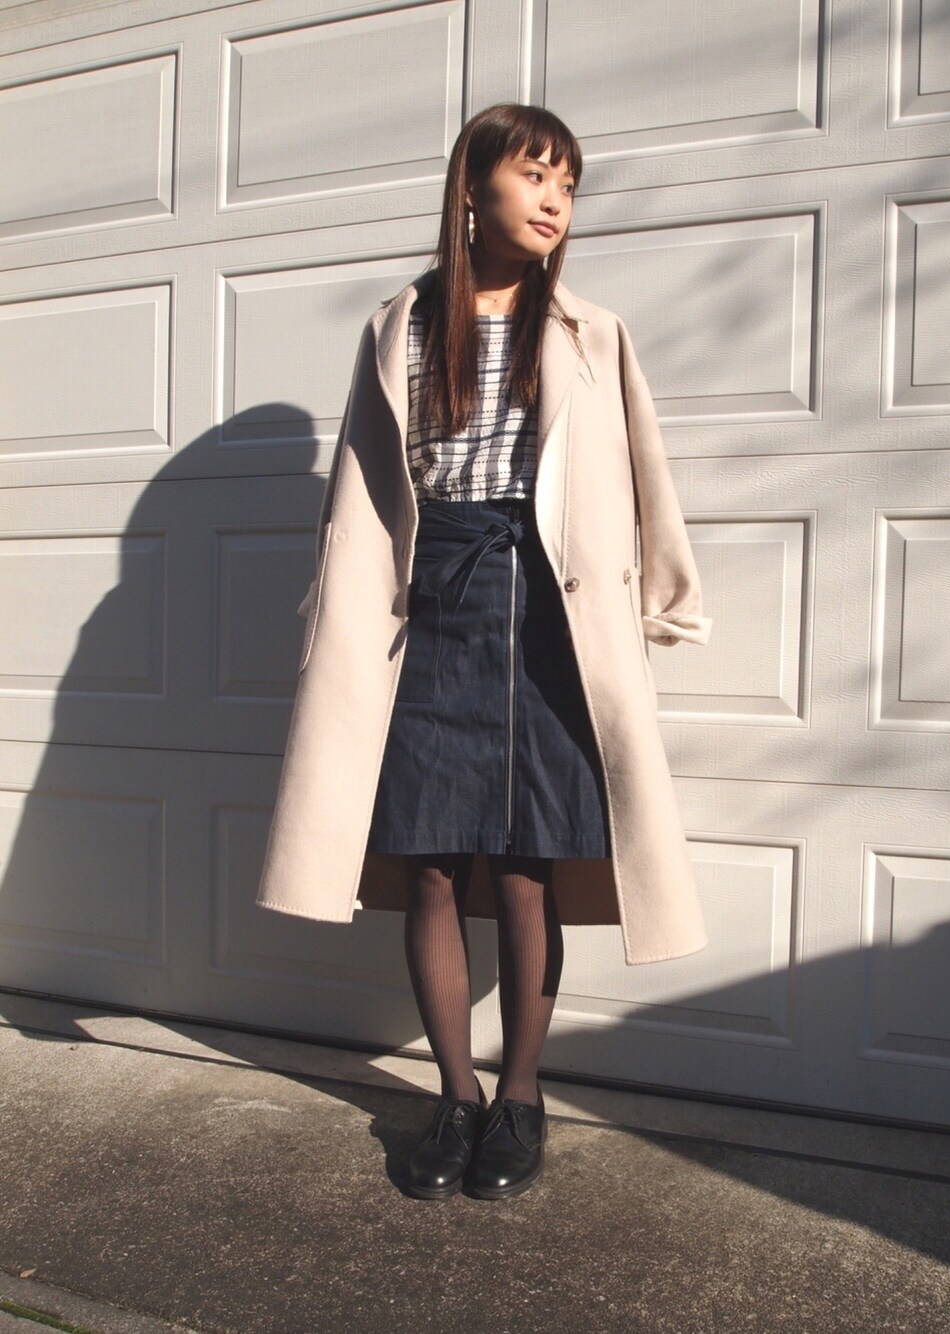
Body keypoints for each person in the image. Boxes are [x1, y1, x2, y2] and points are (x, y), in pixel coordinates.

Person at [256, 103, 712, 1202]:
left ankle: (522, 1096)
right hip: (435, 601)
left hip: (551, 610)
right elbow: (358, 488)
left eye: (569, 183)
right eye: (536, 174)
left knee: (524, 865)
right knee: (429, 861)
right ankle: (454, 1096)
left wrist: (665, 597)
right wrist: (335, 611)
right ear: (473, 187)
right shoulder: (400, 325)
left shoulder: (592, 331)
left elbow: (644, 473)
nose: (556, 200)